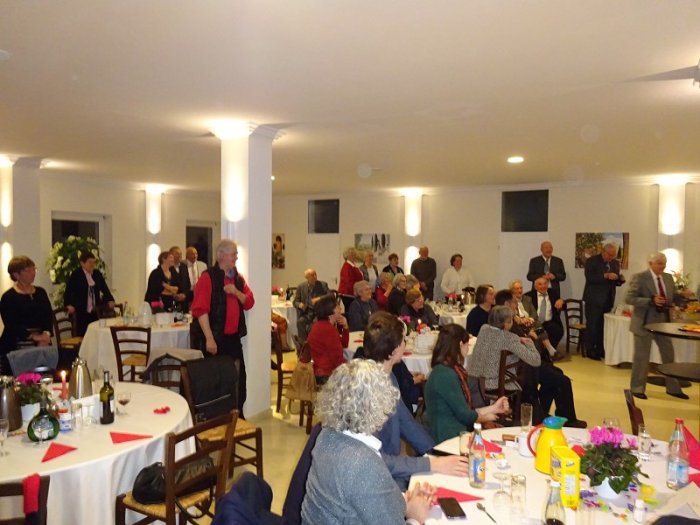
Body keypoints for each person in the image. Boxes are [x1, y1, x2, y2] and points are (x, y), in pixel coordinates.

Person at [300, 359, 435, 525]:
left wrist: (402, 500)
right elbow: (364, 482)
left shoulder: (326, 436)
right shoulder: (364, 463)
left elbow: (359, 496)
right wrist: (416, 517)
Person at [359, 311, 468, 488]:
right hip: (376, 480)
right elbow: (373, 459)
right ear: (394, 351)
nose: (406, 343)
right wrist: (430, 463)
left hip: (389, 468)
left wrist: (436, 453)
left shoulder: (389, 377)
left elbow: (406, 423)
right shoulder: (366, 390)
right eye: (404, 340)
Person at [495, 289, 586, 428]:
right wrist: (529, 339)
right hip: (523, 369)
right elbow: (519, 346)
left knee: (557, 373)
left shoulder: (508, 319)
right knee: (562, 380)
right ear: (507, 304)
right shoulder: (505, 322)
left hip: (526, 364)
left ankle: (542, 412)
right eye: (514, 302)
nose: (516, 304)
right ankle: (567, 419)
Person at [191, 239, 255, 414]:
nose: (236, 257)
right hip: (215, 339)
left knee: (239, 380)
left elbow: (249, 302)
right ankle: (217, 418)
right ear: (221, 255)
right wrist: (209, 338)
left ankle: (237, 416)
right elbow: (200, 310)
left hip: (233, 339)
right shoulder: (208, 278)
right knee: (215, 382)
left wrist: (235, 291)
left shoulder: (238, 279)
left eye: (236, 254)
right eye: (233, 254)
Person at [425, 323, 511, 442]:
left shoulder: (445, 370)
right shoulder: (445, 375)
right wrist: (485, 417)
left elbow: (465, 411)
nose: (468, 348)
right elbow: (465, 415)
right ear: (461, 344)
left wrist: (494, 408)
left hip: (454, 433)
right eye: (467, 345)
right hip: (450, 439)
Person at [626, 252, 694, 400]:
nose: (663, 266)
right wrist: (650, 300)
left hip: (663, 323)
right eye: (659, 263)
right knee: (642, 358)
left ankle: (673, 388)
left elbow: (672, 297)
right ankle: (637, 388)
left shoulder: (668, 278)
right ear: (650, 264)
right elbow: (629, 298)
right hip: (644, 323)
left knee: (669, 355)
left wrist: (683, 296)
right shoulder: (640, 277)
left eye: (664, 263)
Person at [0, 256, 53, 375]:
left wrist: (46, 334)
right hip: (17, 342)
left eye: (34, 269)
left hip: (42, 340)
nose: (33, 273)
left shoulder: (41, 292)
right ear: (16, 275)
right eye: (28, 270)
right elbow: (11, 324)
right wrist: (33, 337)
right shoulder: (8, 297)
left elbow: (48, 315)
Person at [469, 305, 542, 391]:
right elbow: (536, 361)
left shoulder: (484, 329)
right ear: (506, 323)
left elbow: (496, 337)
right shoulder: (509, 338)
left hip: (475, 381)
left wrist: (518, 339)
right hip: (495, 385)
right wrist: (530, 344)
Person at [583, 243, 625, 360]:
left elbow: (614, 281)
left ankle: (600, 349)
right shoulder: (592, 261)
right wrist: (605, 275)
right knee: (593, 326)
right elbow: (590, 278)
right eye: (609, 255)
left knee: (603, 326)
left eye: (613, 255)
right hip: (593, 299)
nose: (611, 258)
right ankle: (590, 350)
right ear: (603, 251)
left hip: (608, 299)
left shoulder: (615, 263)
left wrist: (620, 280)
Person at [63, 252, 115, 335]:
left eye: (94, 262)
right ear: (82, 263)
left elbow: (105, 289)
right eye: (90, 262)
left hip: (95, 312)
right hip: (81, 312)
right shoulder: (76, 275)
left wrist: (110, 299)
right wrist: (68, 304)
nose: (92, 265)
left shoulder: (97, 274)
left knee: (96, 333)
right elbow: (68, 291)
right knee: (83, 335)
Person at [510, 279, 561, 360]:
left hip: (531, 323)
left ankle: (547, 353)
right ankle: (549, 352)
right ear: (512, 290)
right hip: (520, 325)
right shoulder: (510, 301)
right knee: (538, 333)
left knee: (539, 328)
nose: (520, 290)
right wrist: (522, 320)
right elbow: (512, 315)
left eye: (521, 288)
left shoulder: (527, 299)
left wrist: (530, 319)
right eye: (517, 289)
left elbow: (534, 313)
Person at [306, 294, 349, 384]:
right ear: (330, 311)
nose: (340, 308)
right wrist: (351, 367)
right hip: (326, 374)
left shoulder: (320, 325)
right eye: (337, 306)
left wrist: (345, 326)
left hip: (319, 370)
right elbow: (338, 361)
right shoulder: (328, 329)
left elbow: (344, 345)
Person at [525, 276, 565, 353]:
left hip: (549, 321)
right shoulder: (529, 295)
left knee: (558, 331)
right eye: (540, 284)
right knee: (536, 334)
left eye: (545, 283)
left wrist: (562, 301)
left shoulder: (553, 293)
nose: (543, 286)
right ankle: (547, 353)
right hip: (535, 322)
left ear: (548, 284)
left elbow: (563, 307)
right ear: (535, 287)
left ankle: (548, 352)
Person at [292, 268, 329, 342]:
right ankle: (303, 345)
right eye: (312, 275)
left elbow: (330, 295)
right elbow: (295, 301)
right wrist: (299, 304)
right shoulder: (301, 286)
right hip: (307, 313)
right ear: (307, 277)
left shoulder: (322, 285)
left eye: (315, 274)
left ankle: (313, 344)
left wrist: (319, 298)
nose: (315, 276)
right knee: (300, 322)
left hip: (318, 313)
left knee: (313, 326)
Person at [337, 247, 363, 311]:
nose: (355, 256)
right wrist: (356, 291)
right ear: (349, 256)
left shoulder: (352, 265)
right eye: (354, 254)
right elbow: (348, 282)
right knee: (350, 310)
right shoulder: (347, 266)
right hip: (348, 293)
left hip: (352, 293)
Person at [169, 246, 191, 312]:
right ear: (171, 255)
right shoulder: (168, 267)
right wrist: (175, 295)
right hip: (171, 301)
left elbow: (188, 283)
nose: (180, 256)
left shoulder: (184, 266)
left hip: (184, 302)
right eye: (177, 254)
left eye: (180, 254)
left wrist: (184, 294)